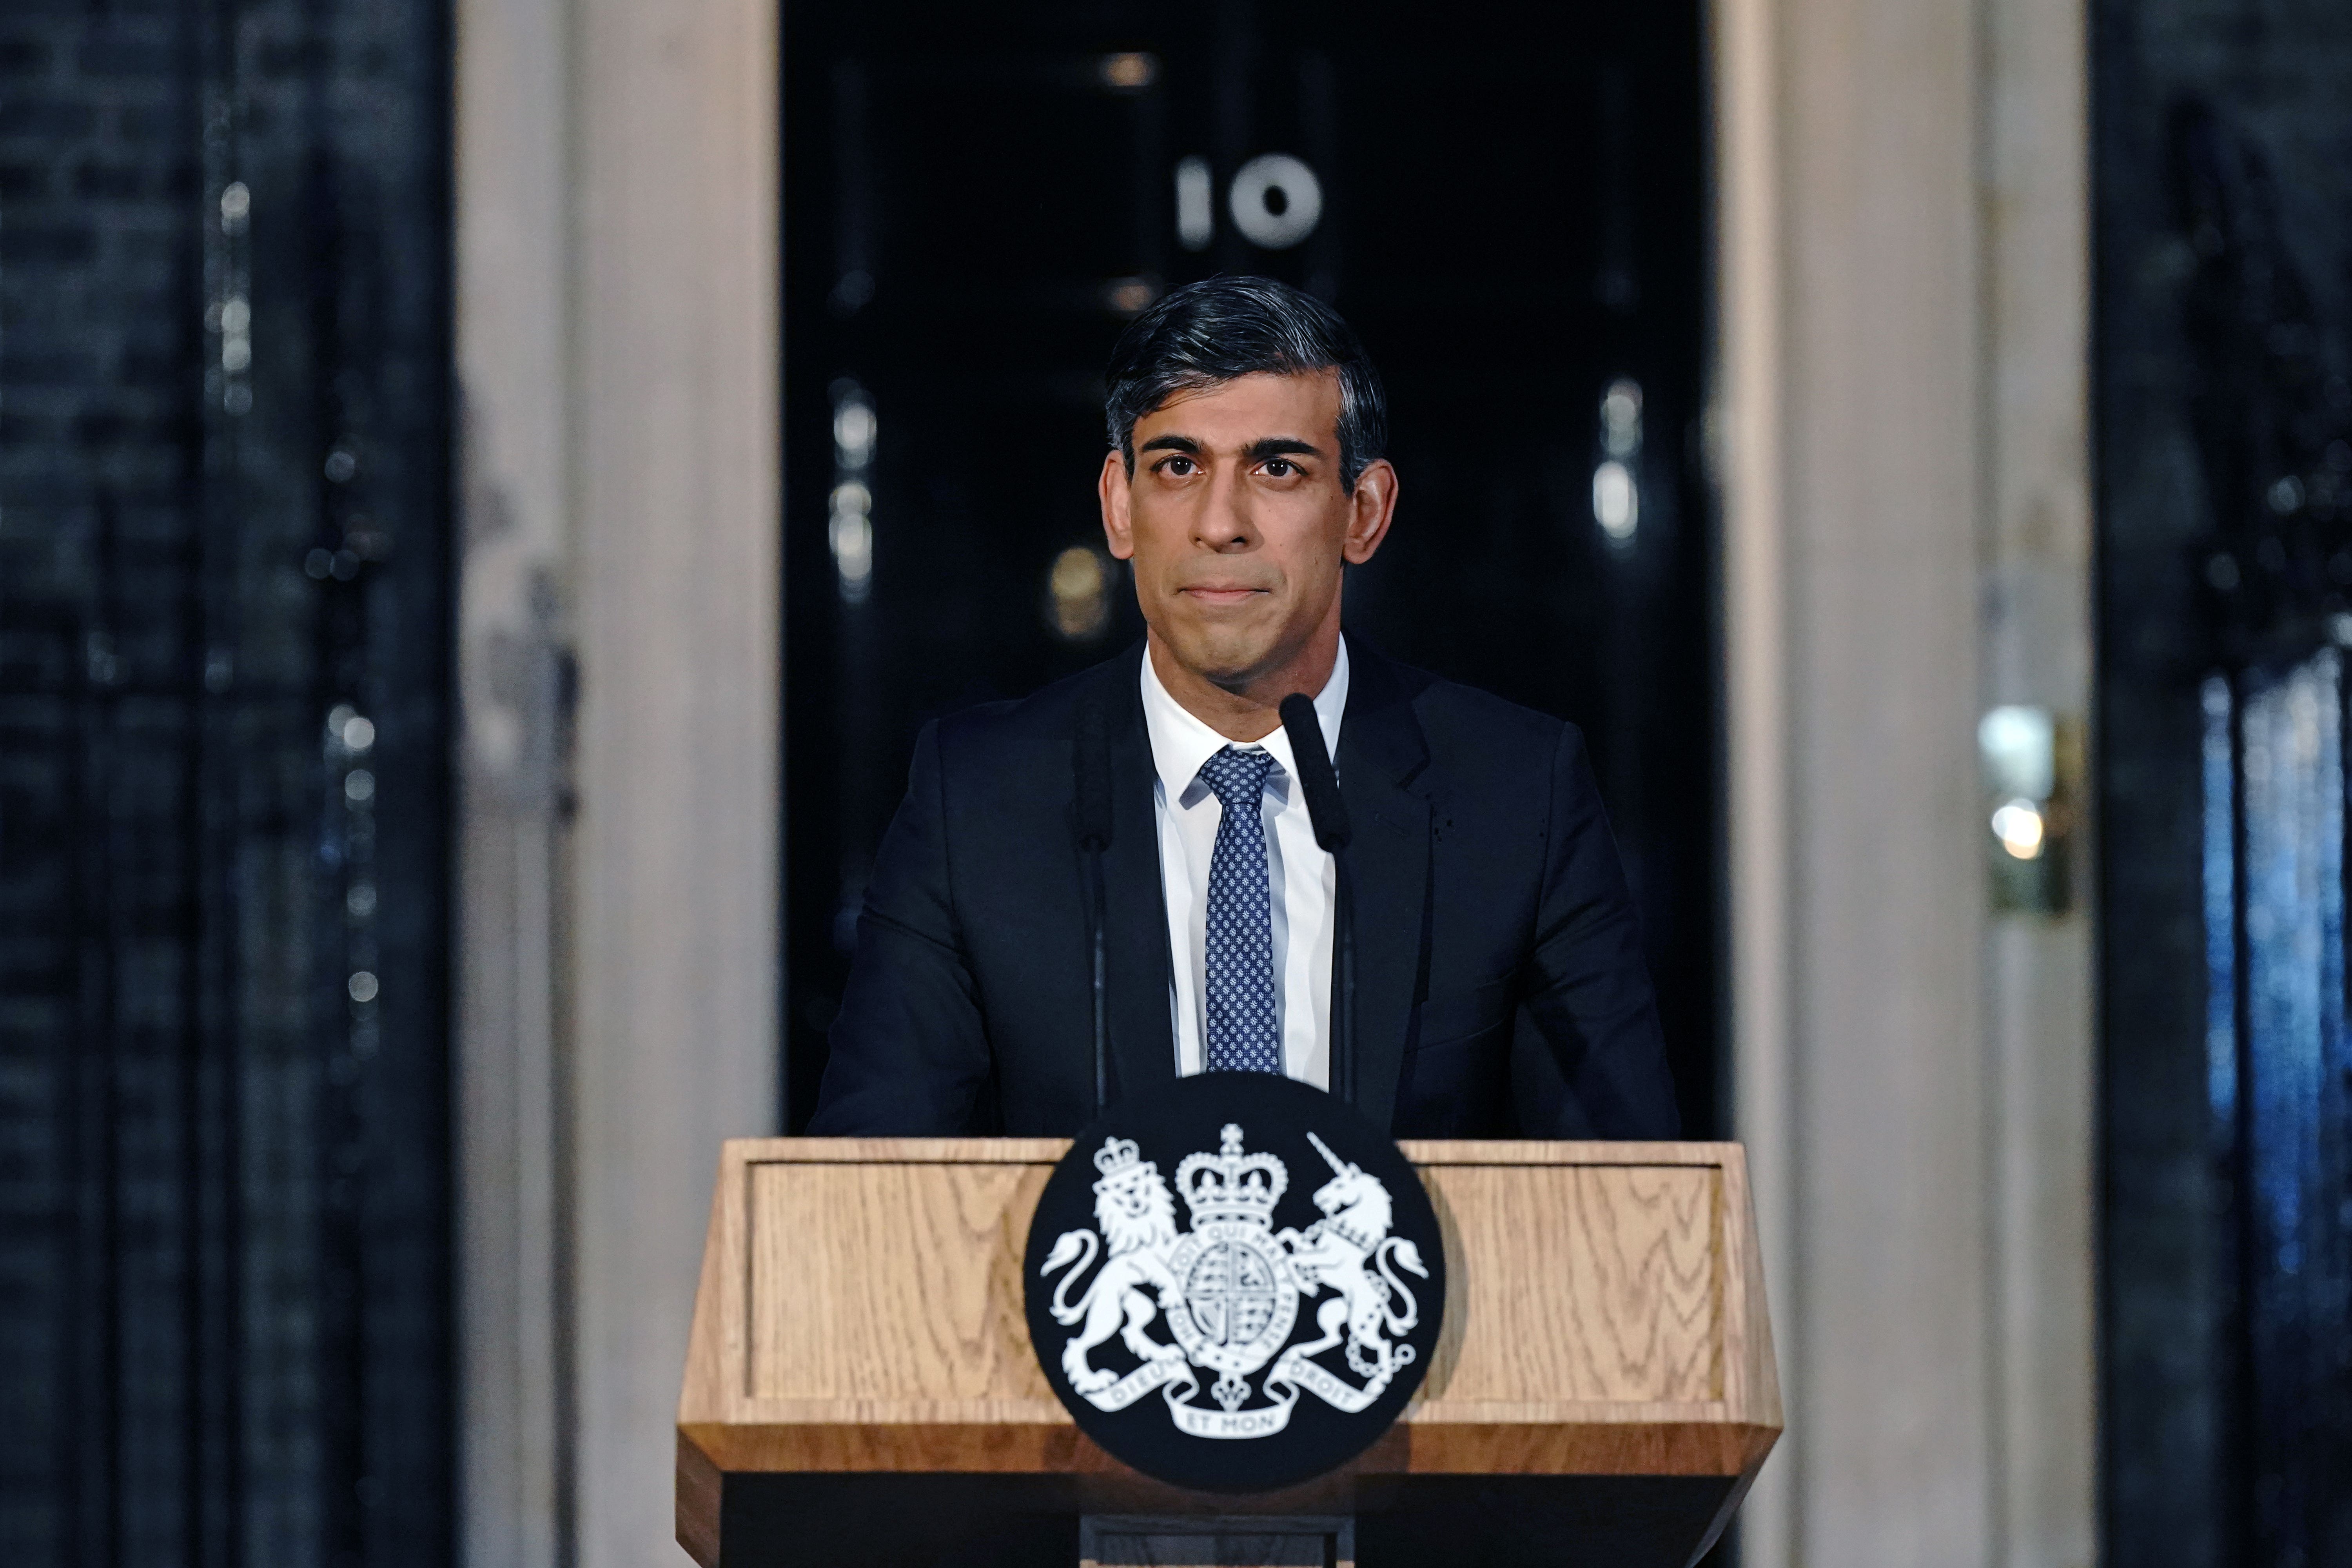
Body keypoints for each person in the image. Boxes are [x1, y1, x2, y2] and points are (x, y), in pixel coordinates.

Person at [808, 277, 1678, 1140]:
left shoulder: (1518, 794)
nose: (1219, 523)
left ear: (1363, 514)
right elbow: (866, 1193)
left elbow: (1625, 1202)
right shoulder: (978, 800)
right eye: (1178, 466)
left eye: (1277, 467)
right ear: (1120, 506)